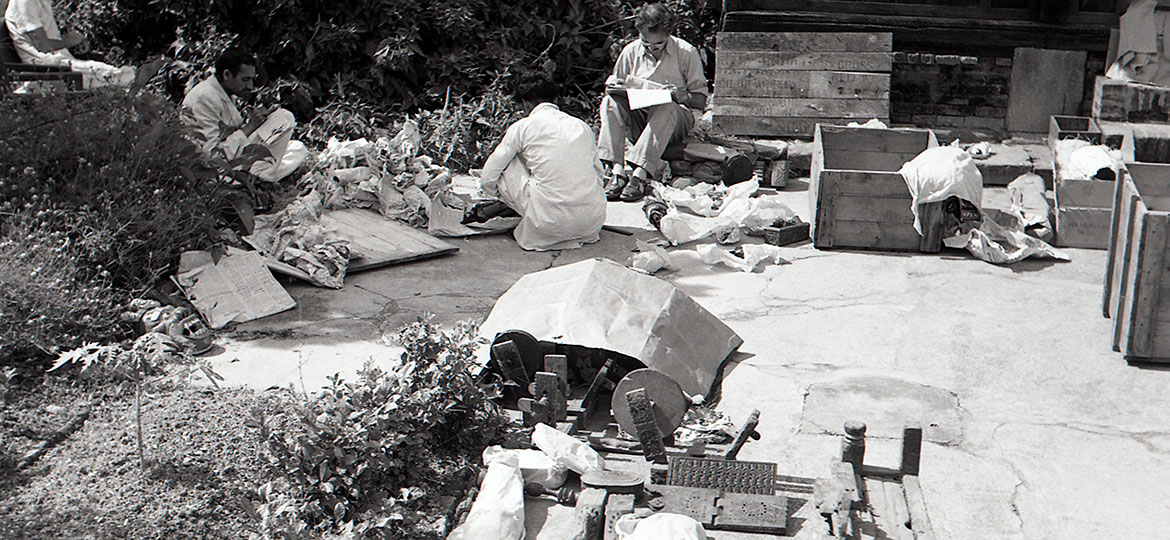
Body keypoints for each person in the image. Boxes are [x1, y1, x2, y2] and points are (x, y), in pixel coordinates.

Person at [475, 83, 606, 251]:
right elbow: (599, 174)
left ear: (526, 104)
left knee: (508, 160)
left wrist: (499, 196)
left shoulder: (523, 126)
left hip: (547, 224)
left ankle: (530, 212)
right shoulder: (581, 126)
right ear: (555, 100)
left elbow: (489, 176)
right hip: (590, 224)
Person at [598, 2, 708, 202]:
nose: (651, 49)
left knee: (665, 104)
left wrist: (681, 96)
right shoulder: (630, 51)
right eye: (645, 43)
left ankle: (640, 175)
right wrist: (618, 89)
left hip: (673, 122)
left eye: (658, 45)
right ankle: (618, 172)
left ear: (668, 35)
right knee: (609, 101)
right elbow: (615, 86)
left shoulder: (686, 52)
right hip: (640, 121)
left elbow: (700, 100)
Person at [181, 48, 306, 182]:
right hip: (215, 171)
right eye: (245, 79)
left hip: (234, 158)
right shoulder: (204, 98)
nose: (250, 86)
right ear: (227, 74)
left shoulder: (224, 92)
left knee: (297, 148)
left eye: (251, 79)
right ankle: (258, 179)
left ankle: (259, 175)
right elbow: (212, 156)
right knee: (284, 117)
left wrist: (259, 121)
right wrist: (250, 127)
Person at [4, 0, 146, 88]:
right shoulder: (24, 2)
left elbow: (49, 41)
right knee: (120, 76)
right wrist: (69, 41)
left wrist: (74, 43)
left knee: (115, 75)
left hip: (60, 63)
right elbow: (43, 45)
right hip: (47, 69)